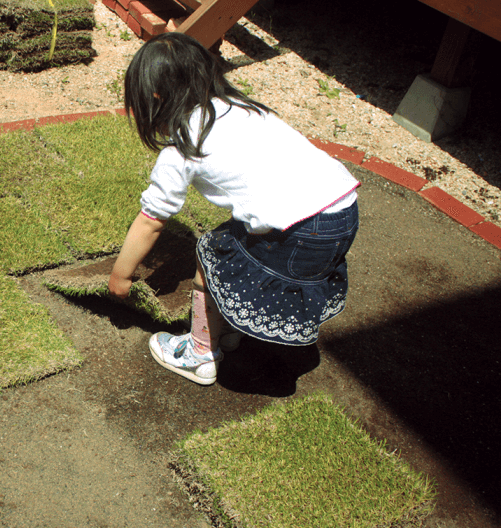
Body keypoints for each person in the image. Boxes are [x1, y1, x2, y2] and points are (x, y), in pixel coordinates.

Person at [108, 32, 360, 386]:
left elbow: (151, 220)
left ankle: (199, 354)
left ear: (155, 98)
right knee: (241, 245)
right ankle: (225, 329)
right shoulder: (241, 108)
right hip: (343, 209)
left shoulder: (181, 149)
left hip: (302, 227)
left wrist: (120, 276)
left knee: (211, 255)